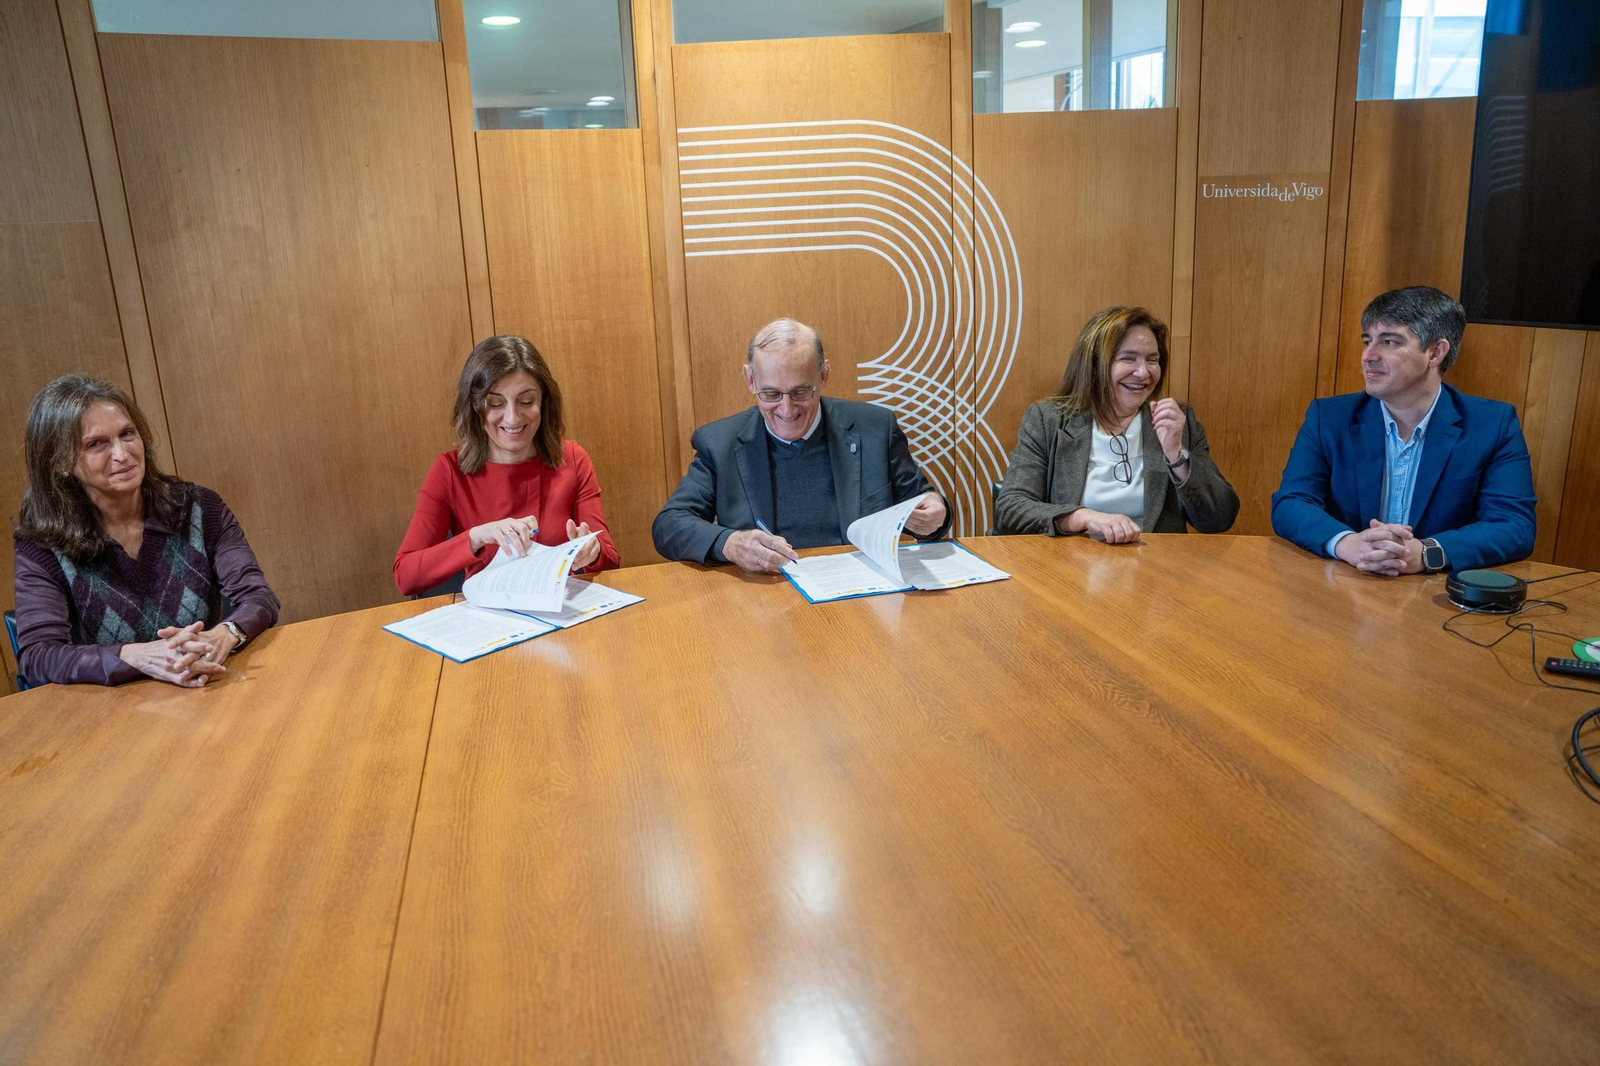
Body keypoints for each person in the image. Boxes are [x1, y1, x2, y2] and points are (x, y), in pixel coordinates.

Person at [12, 375, 279, 687]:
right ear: (61, 461)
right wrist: (134, 656)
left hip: (204, 687)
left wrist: (223, 635)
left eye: (127, 434)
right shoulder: (42, 545)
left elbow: (258, 596)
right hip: (112, 708)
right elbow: (39, 656)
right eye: (96, 444)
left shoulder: (199, 507)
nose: (122, 454)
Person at [1271, 286, 1536, 575]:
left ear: (1435, 352)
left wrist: (1426, 552)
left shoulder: (1493, 424)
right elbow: (1291, 502)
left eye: (1390, 342)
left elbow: (1515, 526)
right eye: (1368, 341)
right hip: (1345, 582)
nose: (1368, 355)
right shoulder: (1329, 417)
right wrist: (1349, 544)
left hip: (1436, 593)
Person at [651, 317, 952, 572]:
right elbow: (669, 525)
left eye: (800, 392)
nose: (786, 409)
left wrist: (936, 514)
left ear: (823, 375)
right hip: (767, 596)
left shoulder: (875, 429)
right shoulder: (719, 443)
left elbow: (923, 507)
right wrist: (729, 543)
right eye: (771, 394)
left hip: (860, 592)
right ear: (750, 380)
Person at [394, 335, 619, 595]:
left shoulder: (573, 459)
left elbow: (611, 561)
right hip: (488, 615)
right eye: (495, 403)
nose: (512, 418)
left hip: (561, 609)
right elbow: (405, 576)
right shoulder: (449, 470)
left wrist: (593, 552)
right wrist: (475, 537)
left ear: (544, 402)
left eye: (526, 401)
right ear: (475, 406)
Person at [995, 306, 1238, 542]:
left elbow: (1219, 519)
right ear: (1094, 365)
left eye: (1152, 360)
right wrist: (1081, 517)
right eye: (1128, 359)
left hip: (1155, 565)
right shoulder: (1049, 420)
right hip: (1069, 565)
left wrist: (1177, 455)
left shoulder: (1176, 421)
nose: (1143, 372)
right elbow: (1010, 508)